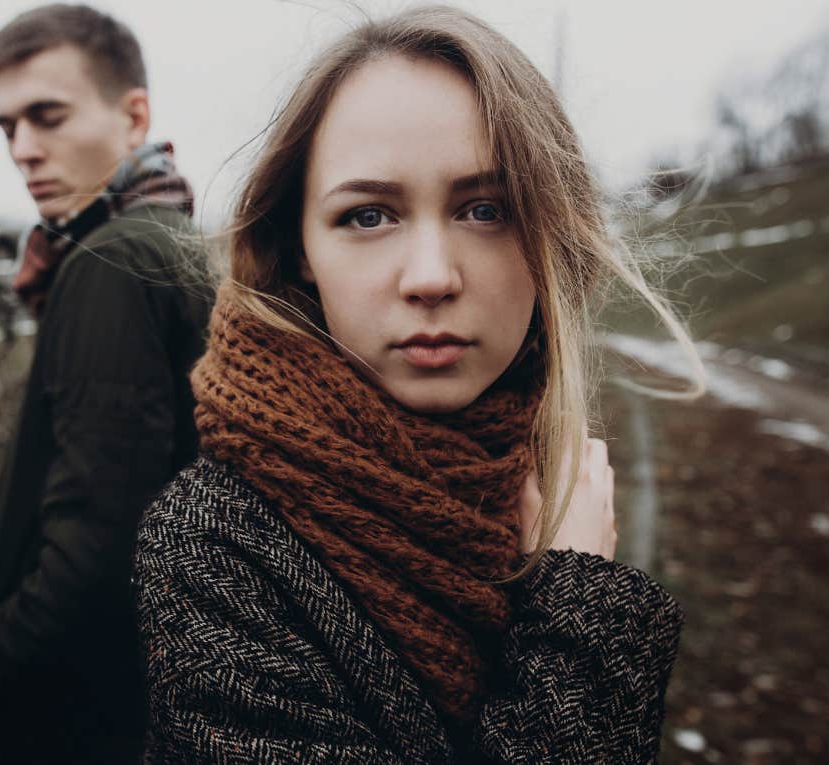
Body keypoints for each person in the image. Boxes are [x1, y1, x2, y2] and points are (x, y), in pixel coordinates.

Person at [134, 6, 703, 763]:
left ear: (549, 234)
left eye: (486, 209)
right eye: (368, 215)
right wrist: (580, 612)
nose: (432, 276)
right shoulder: (212, 547)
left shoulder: (541, 484)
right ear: (298, 246)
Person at [0, 4, 212, 763]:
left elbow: (98, 548)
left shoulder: (110, 261)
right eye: (7, 127)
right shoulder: (172, 242)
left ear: (134, 117)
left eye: (47, 116)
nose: (24, 149)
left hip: (70, 721)